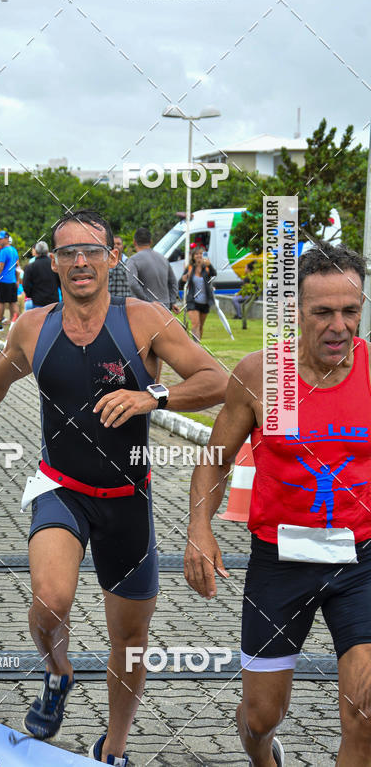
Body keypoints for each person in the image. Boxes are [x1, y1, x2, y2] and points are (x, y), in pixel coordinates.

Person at [0, 209, 227, 765]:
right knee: (50, 602)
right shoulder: (33, 327)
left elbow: (216, 379)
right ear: (54, 262)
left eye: (92, 250)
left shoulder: (143, 320)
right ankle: (57, 670)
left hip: (128, 501)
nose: (80, 262)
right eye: (68, 252)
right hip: (61, 487)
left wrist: (152, 397)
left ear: (113, 256)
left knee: (130, 639)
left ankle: (113, 747)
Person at [184, 241, 371, 767]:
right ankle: (263, 756)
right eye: (323, 312)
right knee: (262, 715)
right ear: (295, 312)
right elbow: (215, 459)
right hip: (281, 560)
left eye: (351, 310)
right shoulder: (262, 374)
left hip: (360, 560)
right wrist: (199, 528)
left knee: (365, 712)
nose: (339, 326)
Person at [126, 228, 178, 313]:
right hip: (165, 307)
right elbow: (173, 283)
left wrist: (147, 301)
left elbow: (132, 284)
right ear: (151, 242)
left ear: (134, 242)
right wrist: (172, 302)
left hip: (144, 308)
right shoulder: (163, 259)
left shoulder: (133, 260)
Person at [181, 247, 217, 341]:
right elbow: (181, 281)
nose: (199, 256)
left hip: (205, 302)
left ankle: (198, 345)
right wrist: (186, 276)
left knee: (200, 326)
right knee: (195, 324)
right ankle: (195, 345)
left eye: (201, 254)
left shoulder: (207, 268)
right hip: (192, 301)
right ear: (193, 256)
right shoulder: (190, 268)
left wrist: (210, 265)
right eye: (197, 254)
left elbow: (214, 274)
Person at [22, 241, 60, 307]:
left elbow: (26, 285)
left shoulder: (30, 267)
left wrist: (30, 295)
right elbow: (61, 282)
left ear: (36, 251)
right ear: (47, 251)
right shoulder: (54, 265)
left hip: (38, 301)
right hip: (53, 300)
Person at [0, 231, 19, 328]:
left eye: (0, 239)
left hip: (3, 281)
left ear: (6, 239)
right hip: (12, 281)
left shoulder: (3, 251)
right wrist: (17, 280)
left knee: (1, 303)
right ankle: (16, 323)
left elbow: (0, 267)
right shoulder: (14, 250)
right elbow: (17, 267)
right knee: (13, 303)